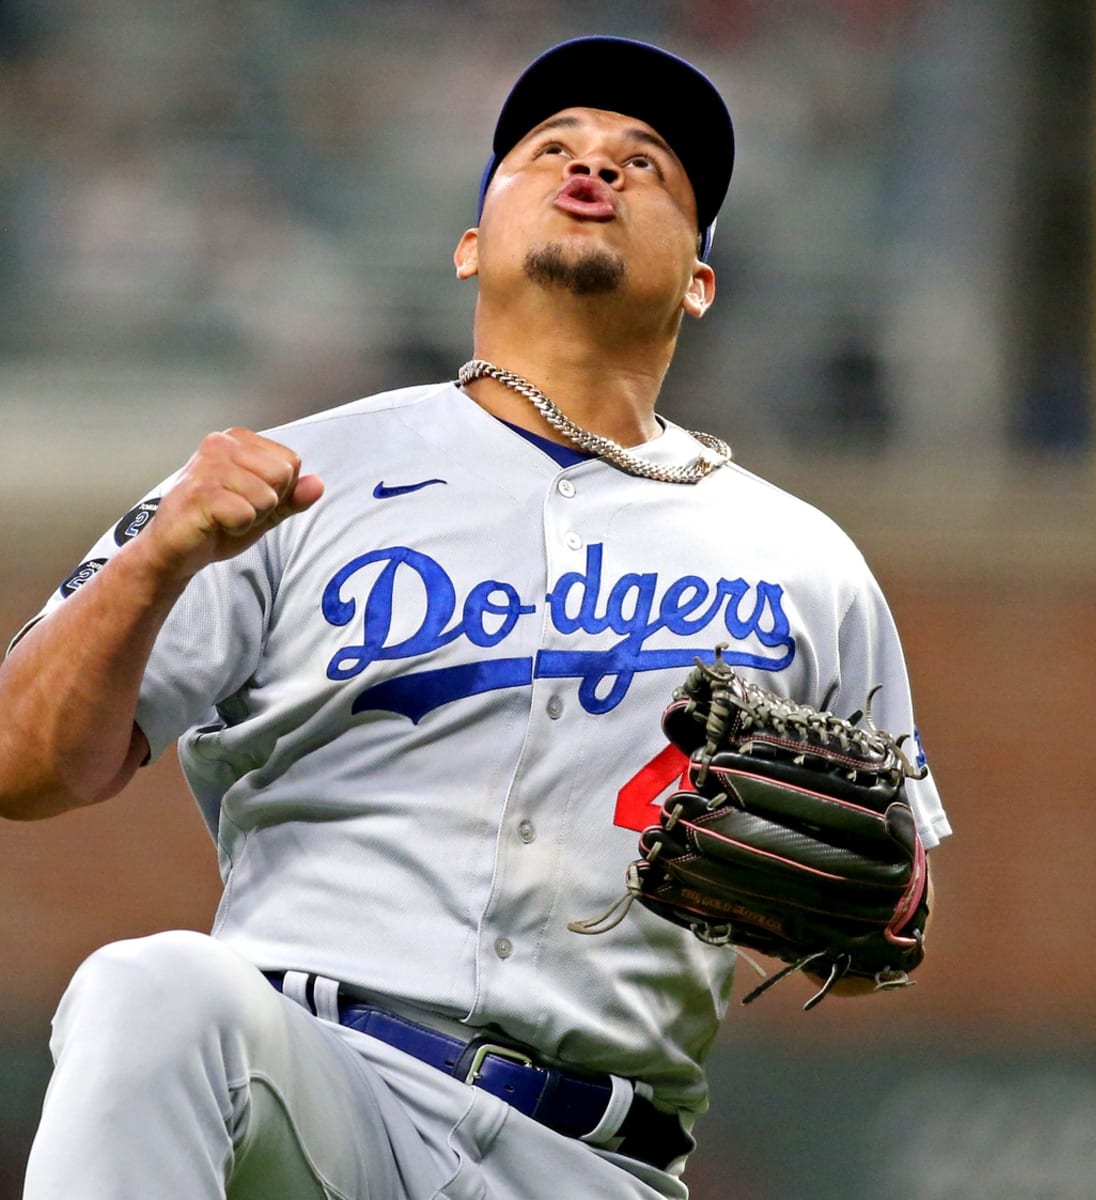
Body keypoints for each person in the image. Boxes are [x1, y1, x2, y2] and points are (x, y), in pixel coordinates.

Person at [0, 35, 950, 1200]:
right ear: (468, 247)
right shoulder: (298, 475)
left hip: (596, 1153)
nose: (594, 167)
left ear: (700, 279)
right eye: (552, 149)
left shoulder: (808, 564)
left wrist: (872, 905)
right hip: (319, 1099)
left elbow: (874, 927)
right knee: (154, 992)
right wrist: (155, 560)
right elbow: (18, 763)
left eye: (645, 164)